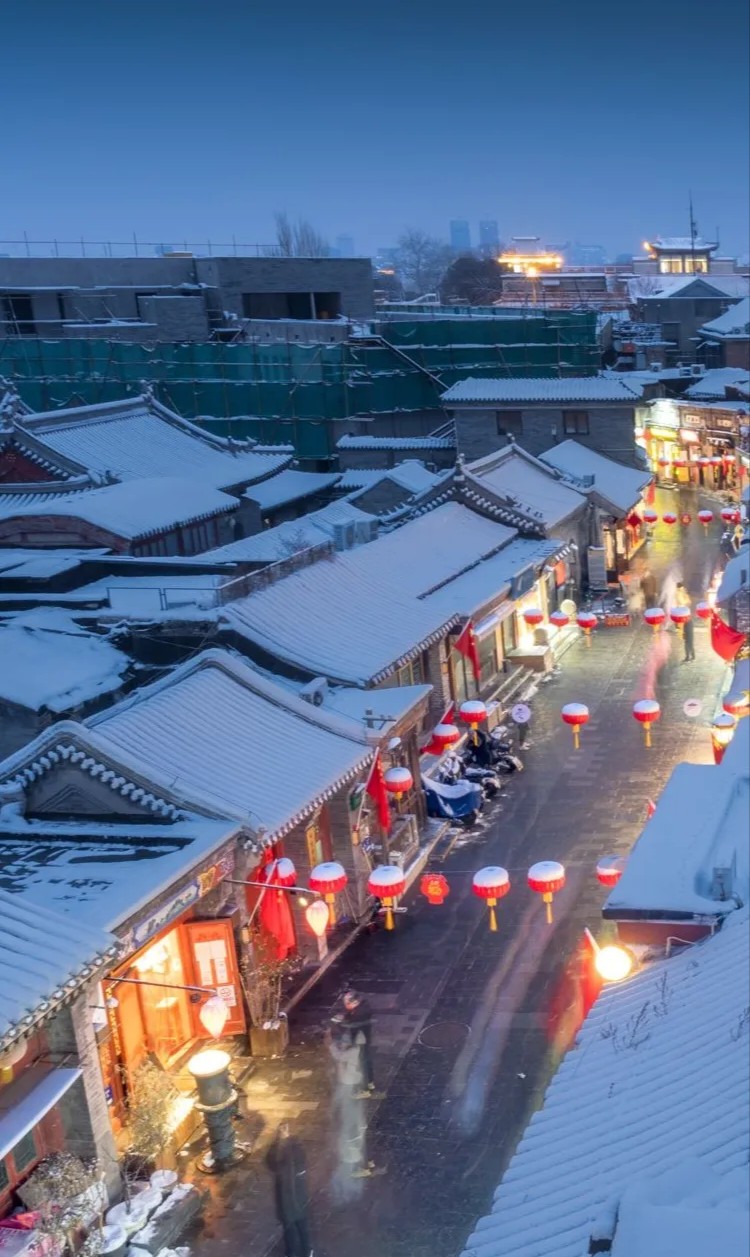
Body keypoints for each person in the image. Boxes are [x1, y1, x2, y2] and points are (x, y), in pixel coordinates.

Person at [265, 1121, 313, 1257]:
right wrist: (278, 1142)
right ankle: (294, 1251)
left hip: (294, 1197)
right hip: (287, 1198)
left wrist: (283, 1141)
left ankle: (306, 1250)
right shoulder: (282, 1147)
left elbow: (292, 1162)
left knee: (299, 1227)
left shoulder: (295, 1149)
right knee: (291, 1228)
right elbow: (270, 1162)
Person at [341, 991, 378, 1096]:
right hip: (364, 1040)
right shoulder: (363, 1007)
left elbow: (353, 1025)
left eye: (347, 1003)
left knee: (362, 1064)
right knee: (367, 1061)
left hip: (360, 1041)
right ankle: (370, 1084)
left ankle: (365, 1090)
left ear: (353, 1003)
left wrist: (342, 1022)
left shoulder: (358, 1014)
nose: (345, 1005)